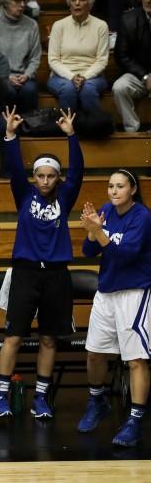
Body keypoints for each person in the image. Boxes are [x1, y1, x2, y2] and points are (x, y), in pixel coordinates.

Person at [0, 107, 82, 420]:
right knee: (13, 336)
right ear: (34, 178)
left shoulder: (66, 196)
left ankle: (41, 398)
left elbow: (80, 171)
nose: (45, 181)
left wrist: (71, 136)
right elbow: (14, 168)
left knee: (48, 338)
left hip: (57, 275)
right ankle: (2, 396)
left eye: (51, 176)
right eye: (40, 175)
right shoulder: (24, 193)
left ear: (58, 178)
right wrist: (10, 136)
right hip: (25, 273)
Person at [77, 170, 151, 447]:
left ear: (132, 189)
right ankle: (97, 402)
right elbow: (87, 251)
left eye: (120, 186)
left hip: (134, 292)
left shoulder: (142, 217)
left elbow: (127, 255)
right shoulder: (106, 210)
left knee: (135, 360)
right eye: (110, 186)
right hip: (106, 291)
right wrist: (92, 231)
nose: (113, 191)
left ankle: (135, 420)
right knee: (94, 353)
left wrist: (98, 231)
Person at [47, 0, 109, 113]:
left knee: (88, 89)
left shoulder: (101, 26)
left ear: (90, 4)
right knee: (68, 89)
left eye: (82, 0)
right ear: (69, 3)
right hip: (62, 76)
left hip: (93, 76)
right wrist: (72, 77)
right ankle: (67, 128)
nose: (77, 3)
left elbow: (102, 60)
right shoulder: (59, 25)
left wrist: (85, 77)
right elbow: (53, 60)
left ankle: (92, 128)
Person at [0, 0, 42, 113]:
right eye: (17, 0)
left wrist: (27, 75)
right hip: (1, 76)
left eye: (24, 0)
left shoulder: (32, 25)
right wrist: (5, 76)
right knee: (7, 91)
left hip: (24, 77)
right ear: (5, 3)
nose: (22, 4)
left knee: (29, 91)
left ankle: (28, 128)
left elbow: (35, 57)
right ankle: (7, 129)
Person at [111, 0, 151, 132]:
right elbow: (121, 55)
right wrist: (145, 76)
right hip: (138, 74)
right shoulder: (129, 19)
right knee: (119, 87)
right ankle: (132, 129)